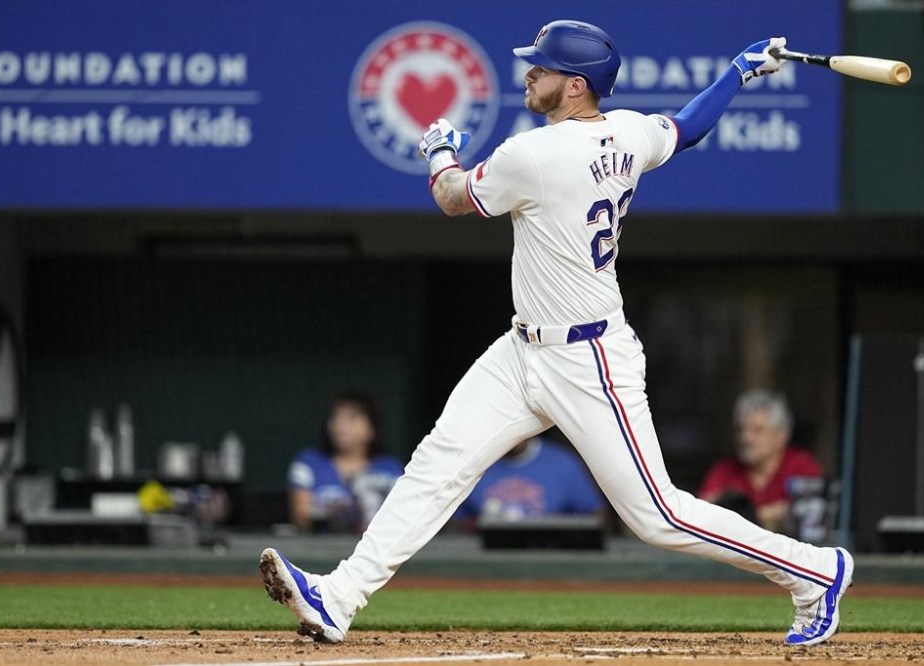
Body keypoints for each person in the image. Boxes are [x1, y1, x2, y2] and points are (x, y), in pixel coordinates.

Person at [260, 20, 853, 648]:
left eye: (540, 69)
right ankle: (339, 597)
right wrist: (736, 72)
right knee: (437, 466)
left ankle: (816, 571)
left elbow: (453, 198)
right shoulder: (626, 129)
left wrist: (438, 148)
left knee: (658, 516)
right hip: (521, 351)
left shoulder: (535, 154)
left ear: (575, 86)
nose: (528, 75)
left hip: (590, 359)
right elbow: (688, 127)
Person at [699, 390, 825, 534]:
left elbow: (810, 518)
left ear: (781, 435)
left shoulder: (802, 467)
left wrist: (739, 517)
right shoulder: (724, 470)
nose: (746, 438)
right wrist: (771, 515)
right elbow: (703, 516)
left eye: (757, 430)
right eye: (741, 430)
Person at [287, 393, 403, 533]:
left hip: (376, 548)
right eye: (335, 418)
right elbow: (301, 516)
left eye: (352, 418)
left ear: (372, 429)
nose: (340, 425)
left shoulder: (390, 468)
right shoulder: (309, 462)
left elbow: (403, 517)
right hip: (322, 547)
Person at [454, 435, 605, 527]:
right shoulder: (471, 462)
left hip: (548, 559)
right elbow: (450, 523)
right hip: (485, 564)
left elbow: (597, 517)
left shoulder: (563, 463)